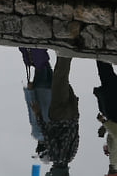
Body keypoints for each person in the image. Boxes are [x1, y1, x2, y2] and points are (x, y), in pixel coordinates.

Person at [20, 48, 79, 176]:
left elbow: (76, 135)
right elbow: (46, 132)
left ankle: (63, 49)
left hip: (71, 114)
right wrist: (30, 94)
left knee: (58, 73)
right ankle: (40, 43)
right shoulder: (53, 152)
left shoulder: (71, 155)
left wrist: (74, 109)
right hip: (47, 98)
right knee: (42, 66)